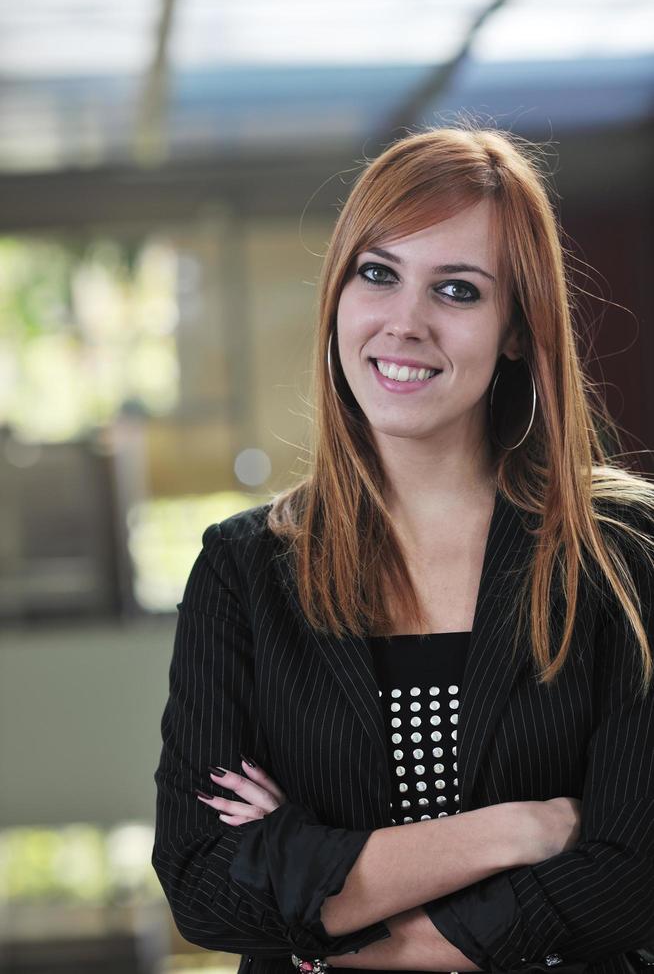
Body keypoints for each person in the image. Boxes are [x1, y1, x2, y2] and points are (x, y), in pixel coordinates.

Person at [151, 124, 654, 974]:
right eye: (377, 273)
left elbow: (630, 875)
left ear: (518, 331)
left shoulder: (619, 553)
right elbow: (204, 884)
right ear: (340, 294)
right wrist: (515, 831)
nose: (405, 322)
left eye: (458, 291)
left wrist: (323, 902)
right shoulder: (244, 571)